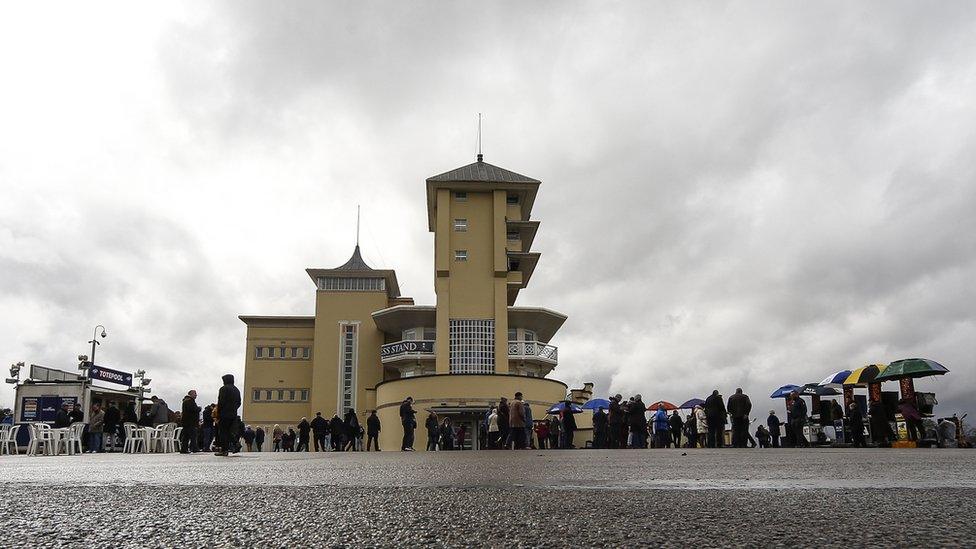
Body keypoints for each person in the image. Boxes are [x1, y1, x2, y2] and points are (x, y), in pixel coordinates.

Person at [215, 373, 241, 457]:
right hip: (233, 414)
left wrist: (218, 414)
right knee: (229, 431)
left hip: (224, 413)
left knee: (223, 432)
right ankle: (236, 443)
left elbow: (221, 402)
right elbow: (239, 402)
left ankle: (224, 450)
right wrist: (234, 409)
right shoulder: (236, 390)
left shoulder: (223, 389)